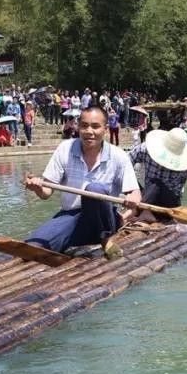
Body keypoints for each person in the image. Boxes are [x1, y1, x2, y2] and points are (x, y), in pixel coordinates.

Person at [23, 106, 141, 260]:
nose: (89, 131)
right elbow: (46, 193)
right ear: (78, 127)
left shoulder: (118, 156)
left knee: (95, 189)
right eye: (84, 126)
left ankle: (106, 239)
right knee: (32, 247)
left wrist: (133, 199)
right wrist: (37, 187)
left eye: (95, 126)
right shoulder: (65, 149)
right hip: (72, 217)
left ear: (105, 129)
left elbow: (135, 192)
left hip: (104, 220)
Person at [125, 128, 187, 222]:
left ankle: (134, 212)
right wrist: (133, 190)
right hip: (146, 197)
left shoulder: (185, 161)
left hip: (170, 205)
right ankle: (144, 211)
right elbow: (124, 164)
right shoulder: (146, 148)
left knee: (156, 184)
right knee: (151, 184)